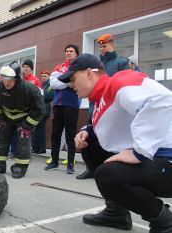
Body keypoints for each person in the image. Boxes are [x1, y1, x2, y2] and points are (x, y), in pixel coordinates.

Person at [59, 53, 172, 232]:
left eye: (73, 79)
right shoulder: (100, 101)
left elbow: (162, 101)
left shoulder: (119, 80)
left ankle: (164, 221)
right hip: (157, 160)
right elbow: (110, 127)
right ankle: (116, 212)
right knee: (91, 146)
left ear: (89, 73)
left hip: (168, 160)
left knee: (107, 175)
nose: (71, 85)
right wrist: (86, 132)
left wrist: (138, 152)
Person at [78, 34, 130, 179]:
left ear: (112, 45)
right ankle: (91, 168)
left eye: (104, 46)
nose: (101, 49)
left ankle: (114, 171)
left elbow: (124, 83)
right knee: (87, 138)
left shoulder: (121, 63)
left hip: (111, 108)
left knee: (112, 140)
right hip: (93, 107)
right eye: (100, 46)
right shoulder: (95, 65)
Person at [0, 61, 45, 178]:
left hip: (24, 118)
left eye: (10, 80)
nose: (7, 82)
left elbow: (39, 109)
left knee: (23, 141)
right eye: (4, 79)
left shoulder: (30, 89)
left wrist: (27, 125)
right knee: (0, 138)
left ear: (17, 79)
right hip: (5, 117)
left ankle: (20, 167)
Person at [45, 44, 79, 174]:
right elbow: (53, 84)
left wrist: (63, 83)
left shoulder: (79, 67)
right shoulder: (59, 67)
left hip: (71, 105)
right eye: (66, 51)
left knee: (70, 136)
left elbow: (77, 83)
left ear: (76, 54)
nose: (68, 53)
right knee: (55, 134)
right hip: (57, 105)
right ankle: (54, 161)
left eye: (71, 51)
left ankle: (70, 164)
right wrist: (68, 83)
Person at [32, 69, 54, 154]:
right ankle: (36, 148)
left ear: (49, 77)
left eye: (45, 76)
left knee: (40, 129)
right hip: (39, 109)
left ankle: (41, 148)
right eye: (42, 76)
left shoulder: (50, 85)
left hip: (45, 110)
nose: (43, 78)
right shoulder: (41, 85)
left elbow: (49, 96)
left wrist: (39, 97)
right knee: (37, 129)